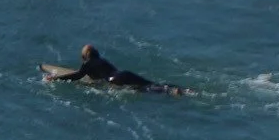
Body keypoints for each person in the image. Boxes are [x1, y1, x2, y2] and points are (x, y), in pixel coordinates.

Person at [41, 44, 190, 95]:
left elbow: (77, 76)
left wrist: (54, 78)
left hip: (116, 80)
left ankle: (170, 92)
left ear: (85, 57)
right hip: (124, 73)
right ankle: (176, 89)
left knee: (143, 91)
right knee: (150, 84)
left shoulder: (88, 64)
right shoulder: (102, 60)